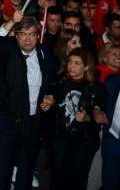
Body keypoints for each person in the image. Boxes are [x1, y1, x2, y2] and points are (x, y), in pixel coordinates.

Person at [0, 11, 57, 190]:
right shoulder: (8, 51)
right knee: (6, 163)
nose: (27, 39)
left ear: (38, 35)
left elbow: (52, 82)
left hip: (34, 118)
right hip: (10, 118)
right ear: (16, 35)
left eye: (32, 34)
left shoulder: (45, 54)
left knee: (27, 164)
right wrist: (12, 21)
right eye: (23, 34)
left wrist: (51, 98)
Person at [51, 47, 100, 190]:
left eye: (77, 63)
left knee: (78, 178)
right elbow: (53, 105)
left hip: (83, 141)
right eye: (70, 62)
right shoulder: (60, 82)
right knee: (58, 175)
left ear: (86, 66)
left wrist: (87, 118)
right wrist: (50, 102)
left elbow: (100, 119)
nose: (71, 66)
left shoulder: (95, 88)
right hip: (61, 137)